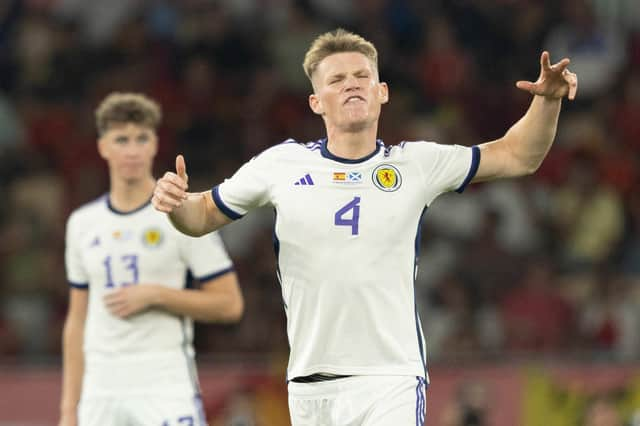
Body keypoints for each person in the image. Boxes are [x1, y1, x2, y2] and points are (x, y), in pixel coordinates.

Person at [152, 29, 578, 425]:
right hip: (311, 382)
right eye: (336, 79)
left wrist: (548, 102)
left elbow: (517, 155)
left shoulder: (415, 164)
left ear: (382, 92)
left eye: (361, 75)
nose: (351, 84)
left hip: (390, 376)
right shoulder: (281, 164)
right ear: (316, 101)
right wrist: (175, 203)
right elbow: (203, 213)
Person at [60, 93, 244, 426]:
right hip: (101, 387)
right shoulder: (82, 223)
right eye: (121, 140)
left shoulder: (182, 214)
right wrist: (69, 410)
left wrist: (157, 295)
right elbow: (77, 322)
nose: (132, 150)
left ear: (155, 144)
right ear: (103, 146)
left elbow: (230, 304)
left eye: (141, 138)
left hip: (164, 380)